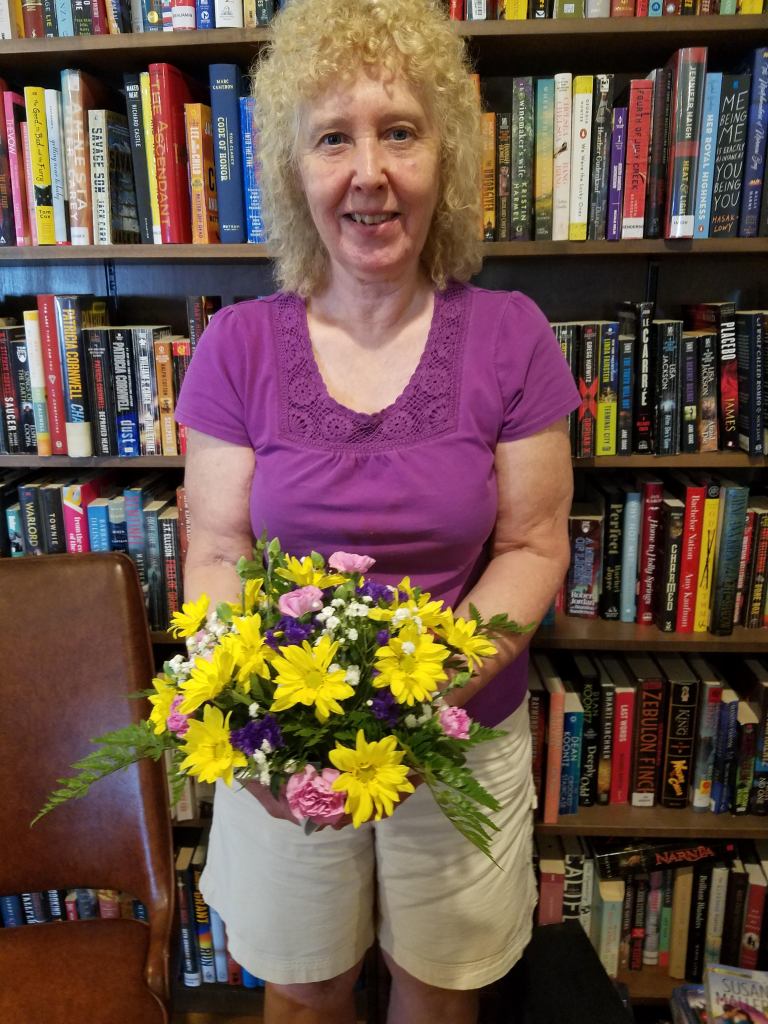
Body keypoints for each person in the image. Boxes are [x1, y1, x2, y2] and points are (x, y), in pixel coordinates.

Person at [174, 0, 580, 1019]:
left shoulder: (513, 335)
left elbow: (534, 545)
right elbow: (216, 550)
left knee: (437, 989)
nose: (369, 172)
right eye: (333, 138)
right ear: (292, 169)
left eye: (399, 131)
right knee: (306, 984)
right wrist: (252, 720)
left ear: (446, 157)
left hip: (461, 733)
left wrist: (420, 701)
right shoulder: (235, 346)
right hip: (291, 735)